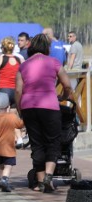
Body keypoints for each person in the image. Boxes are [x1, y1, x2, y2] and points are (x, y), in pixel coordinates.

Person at [15, 33, 73, 193]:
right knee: (53, 142)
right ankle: (48, 175)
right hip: (49, 107)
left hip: (29, 107)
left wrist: (21, 111)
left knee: (36, 144)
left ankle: (40, 183)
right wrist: (63, 97)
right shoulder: (54, 62)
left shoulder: (24, 65)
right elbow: (67, 85)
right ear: (47, 48)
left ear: (32, 47)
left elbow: (18, 91)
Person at [0, 93, 24, 192]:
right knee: (8, 165)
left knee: (1, 165)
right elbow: (20, 125)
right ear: (8, 105)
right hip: (8, 147)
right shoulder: (12, 117)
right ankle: (4, 179)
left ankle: (1, 181)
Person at [0, 36, 24, 148]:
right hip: (15, 91)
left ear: (3, 47)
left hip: (4, 90)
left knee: (1, 116)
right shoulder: (19, 59)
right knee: (13, 117)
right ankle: (19, 139)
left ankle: (2, 139)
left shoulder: (2, 58)